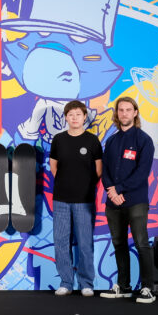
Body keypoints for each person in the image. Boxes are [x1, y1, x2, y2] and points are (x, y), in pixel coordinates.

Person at [100, 96, 157, 304]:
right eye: (121, 110)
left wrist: (119, 189)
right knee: (119, 244)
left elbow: (142, 173)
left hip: (136, 201)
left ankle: (147, 288)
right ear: (117, 113)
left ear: (135, 113)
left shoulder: (144, 140)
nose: (124, 113)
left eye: (128, 110)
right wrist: (112, 192)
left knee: (141, 243)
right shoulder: (111, 141)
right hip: (113, 202)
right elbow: (105, 170)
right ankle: (123, 287)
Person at [49, 100, 103, 296]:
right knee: (61, 242)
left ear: (84, 117)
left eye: (78, 114)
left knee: (85, 243)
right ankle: (66, 282)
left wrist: (83, 185)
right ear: (66, 117)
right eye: (70, 115)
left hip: (84, 200)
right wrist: (66, 182)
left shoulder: (92, 141)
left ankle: (86, 283)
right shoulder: (59, 140)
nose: (74, 118)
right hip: (61, 199)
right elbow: (54, 166)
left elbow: (98, 170)